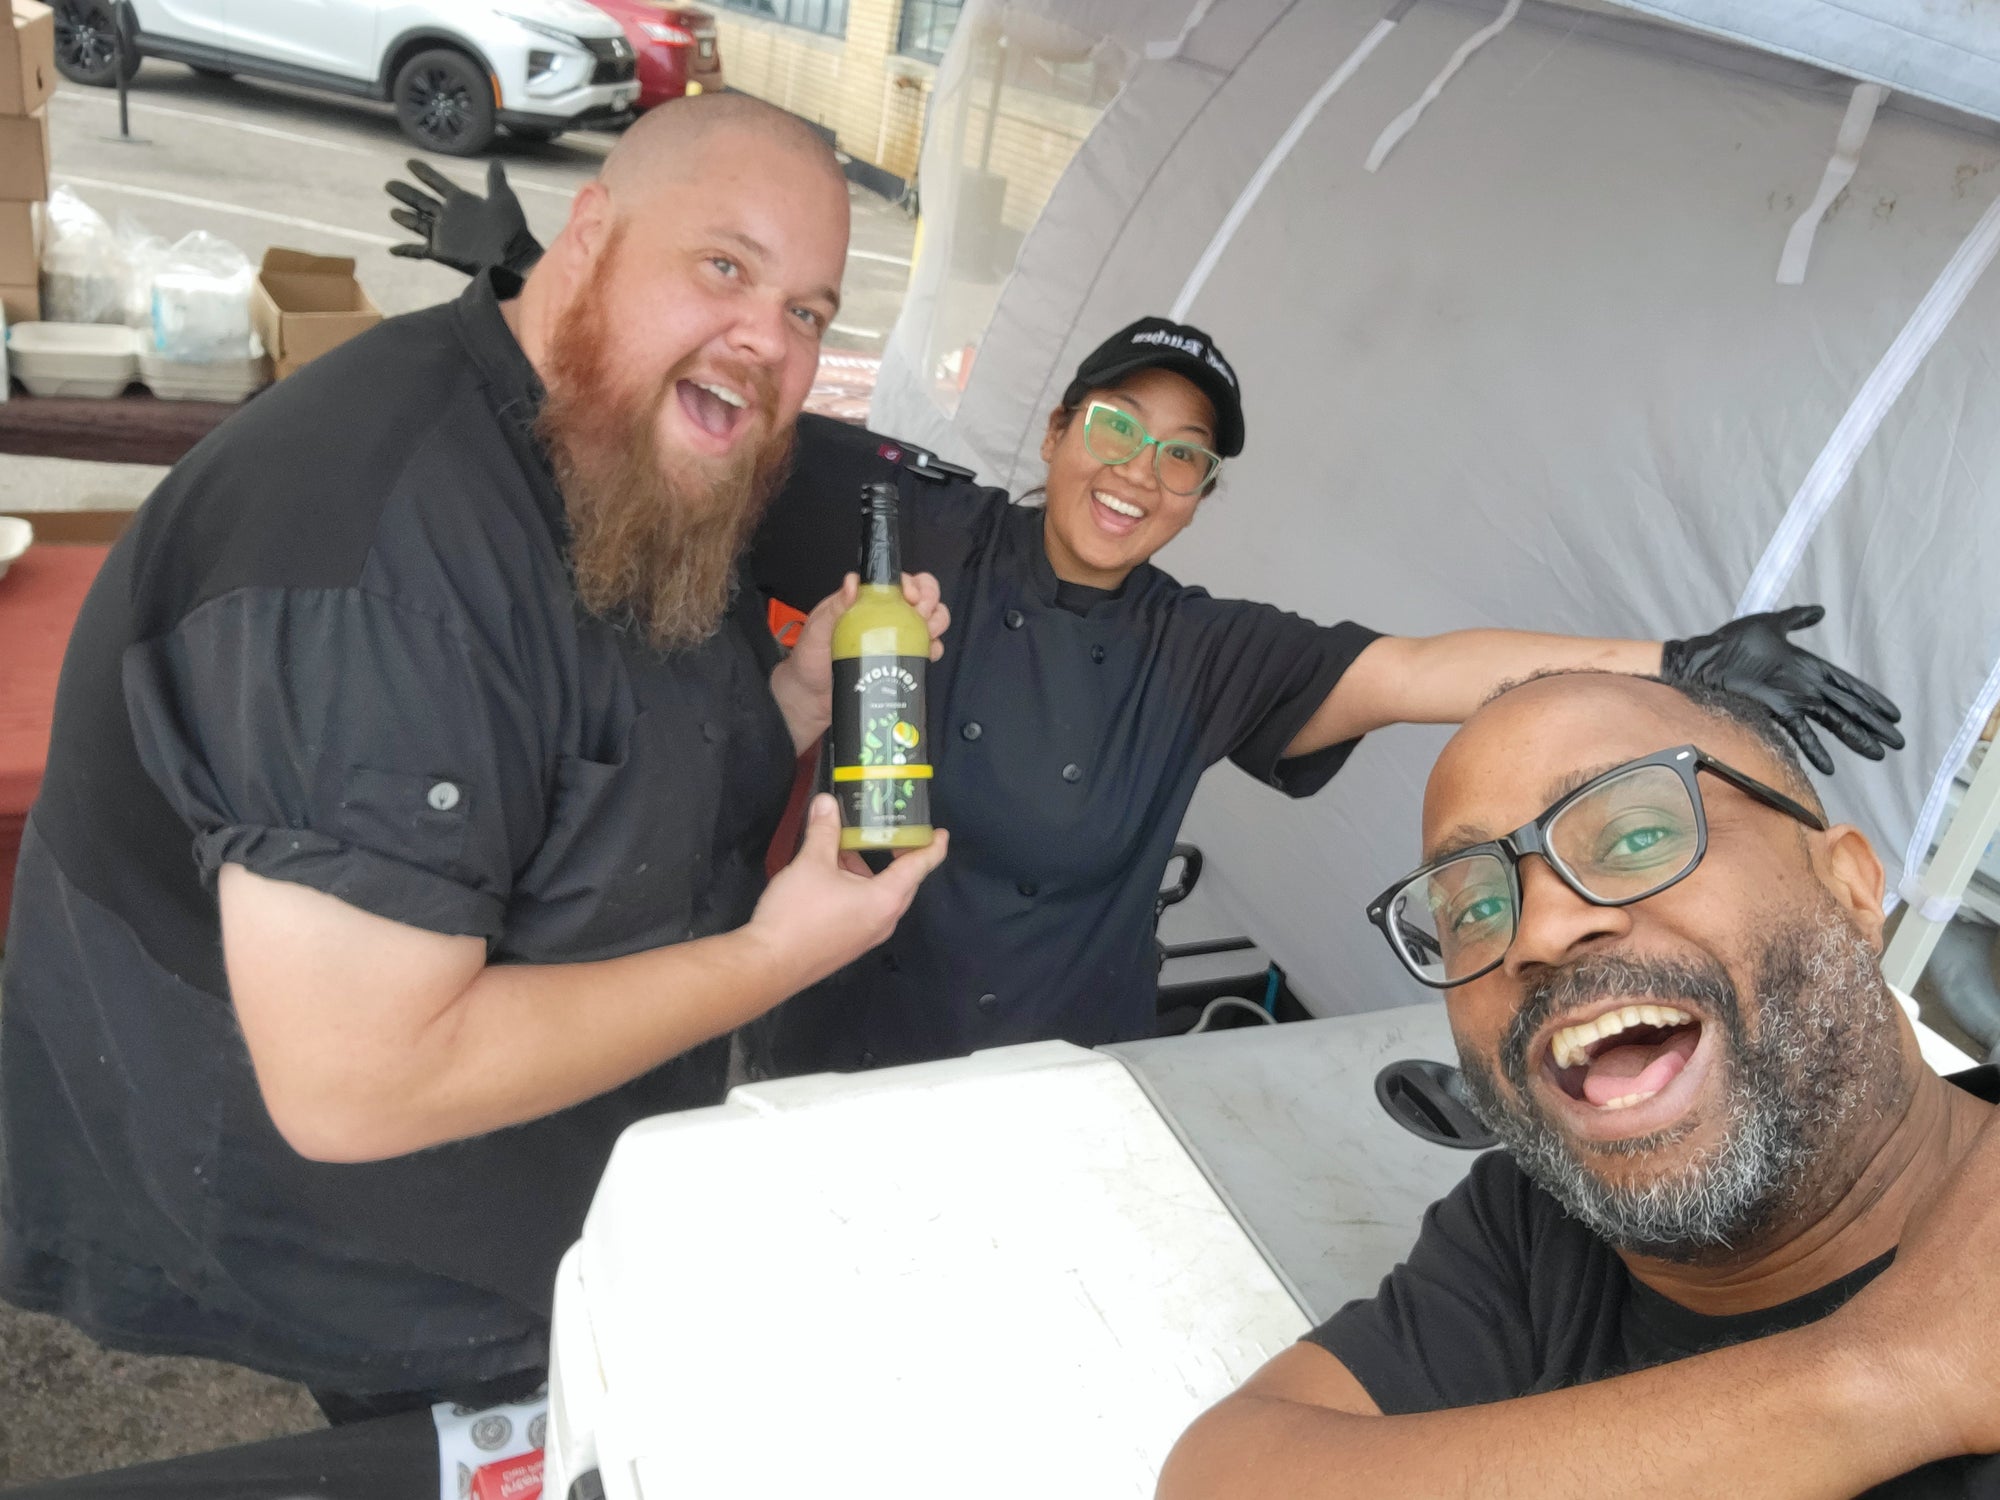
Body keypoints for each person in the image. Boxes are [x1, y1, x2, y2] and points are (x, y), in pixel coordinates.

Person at [386, 165, 1904, 1078]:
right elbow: (707, 407)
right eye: (1122, 426)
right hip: (826, 1047)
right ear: (1056, 430)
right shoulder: (915, 522)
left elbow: (1433, 672)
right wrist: (546, 290)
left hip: (1060, 1082)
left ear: (1195, 499)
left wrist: (1677, 664)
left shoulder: (1205, 649)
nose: (1143, 471)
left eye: (1185, 458)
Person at [0, 95, 949, 1418]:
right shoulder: (385, 572)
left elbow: (589, 744)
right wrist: (773, 960)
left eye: (809, 311)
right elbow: (359, 1083)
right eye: (724, 266)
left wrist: (787, 703)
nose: (770, 340)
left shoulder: (605, 436)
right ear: (591, 231)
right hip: (371, 1242)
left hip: (547, 1172)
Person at [1159, 670, 2000, 1499]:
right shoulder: (1540, 1224)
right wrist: (1885, 1373)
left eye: (1636, 837)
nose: (1540, 931)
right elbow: (1224, 1474)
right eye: (1474, 910)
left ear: (1850, 885)